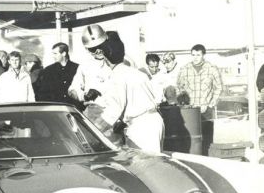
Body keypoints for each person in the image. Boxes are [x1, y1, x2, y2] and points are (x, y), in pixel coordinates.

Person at [81, 24, 164, 153]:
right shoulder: (137, 73)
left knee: (145, 169)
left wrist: (91, 133)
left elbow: (113, 111)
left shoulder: (117, 76)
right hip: (154, 122)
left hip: (142, 128)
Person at [177, 44, 223, 155]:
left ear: (203, 55)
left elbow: (219, 87)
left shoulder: (212, 69)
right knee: (193, 142)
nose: (195, 57)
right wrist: (184, 103)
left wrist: (211, 104)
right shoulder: (185, 69)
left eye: (198, 55)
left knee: (206, 142)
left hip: (206, 111)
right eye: (193, 55)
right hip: (191, 112)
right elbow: (179, 87)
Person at [36, 42, 83, 110]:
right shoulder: (48, 70)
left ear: (64, 53)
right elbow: (42, 92)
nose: (53, 56)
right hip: (55, 111)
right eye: (53, 54)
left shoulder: (77, 68)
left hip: (74, 110)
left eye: (55, 54)